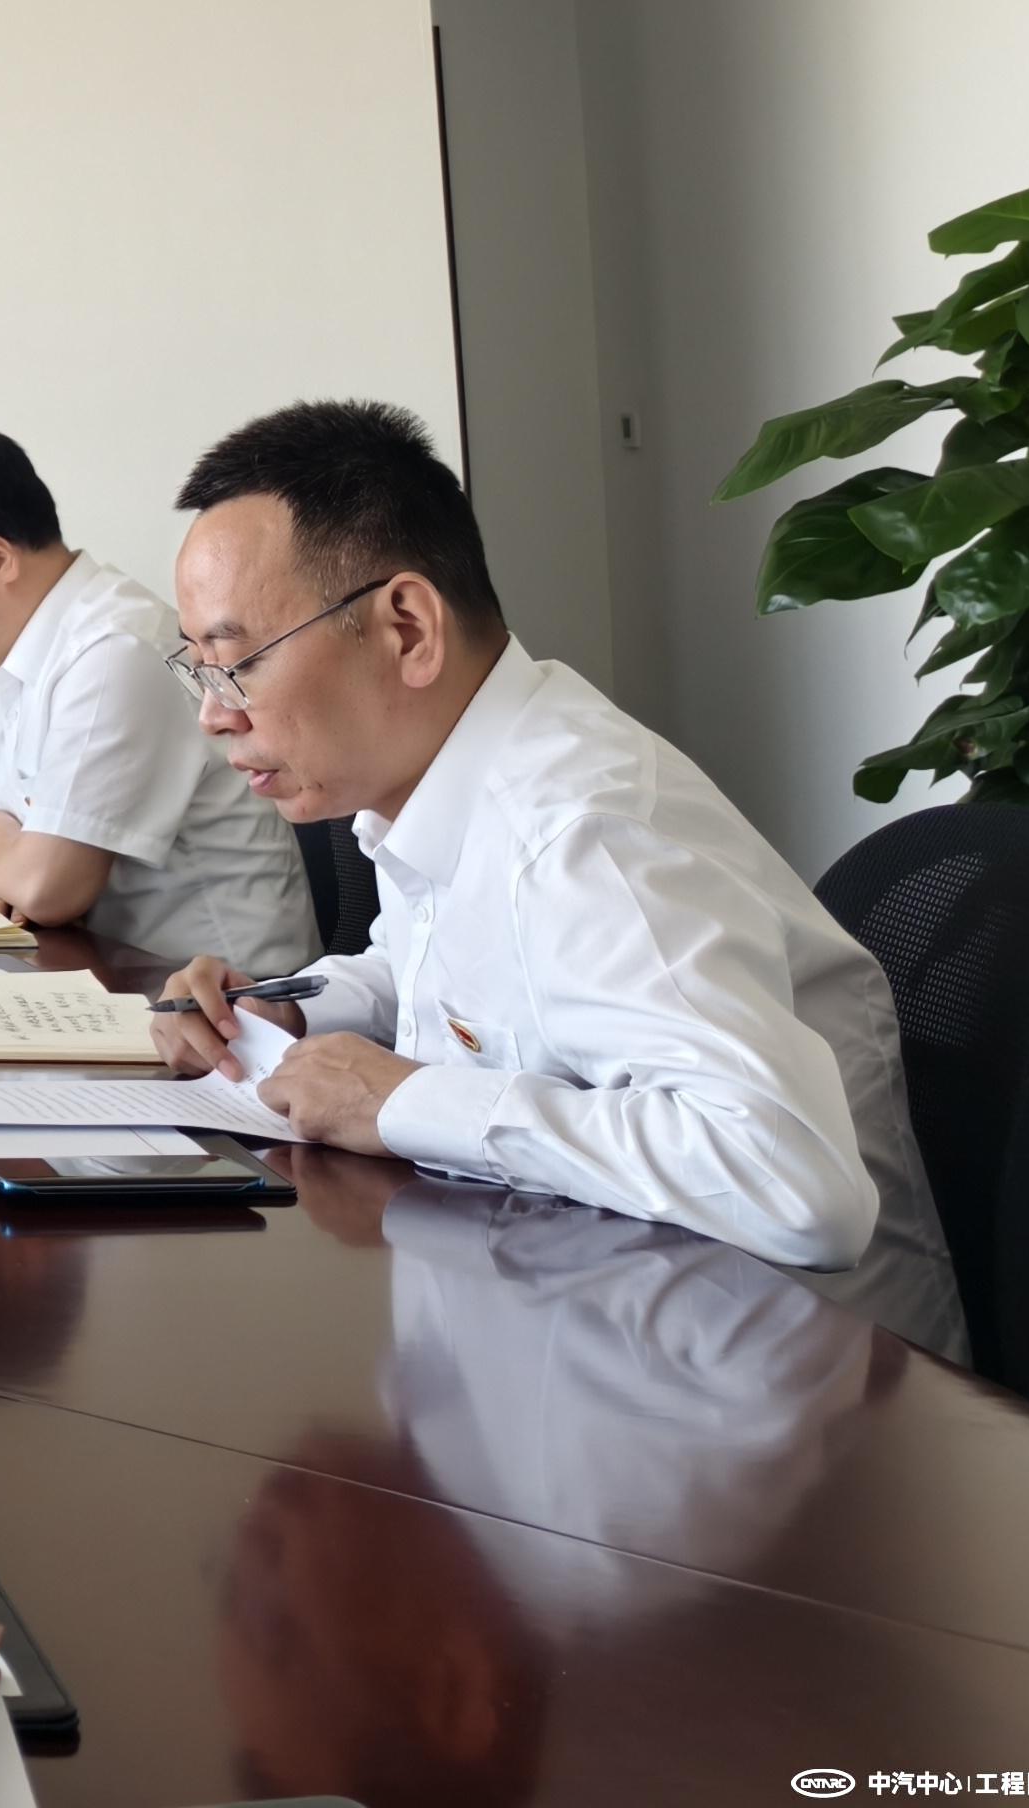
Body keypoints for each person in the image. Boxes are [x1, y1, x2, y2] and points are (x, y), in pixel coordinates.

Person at [152, 399, 962, 1356]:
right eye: (198, 668)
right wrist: (287, 1007)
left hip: (791, 1392)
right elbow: (443, 969)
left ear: (407, 628)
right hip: (599, 1319)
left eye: (236, 662)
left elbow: (795, 1186)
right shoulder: (453, 778)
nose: (214, 714)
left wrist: (402, 1101)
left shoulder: (588, 835)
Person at [0, 416, 313, 970]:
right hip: (95, 974)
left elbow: (49, 890)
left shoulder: (117, 650)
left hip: (226, 996)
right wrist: (1, 878)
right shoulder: (7, 654)